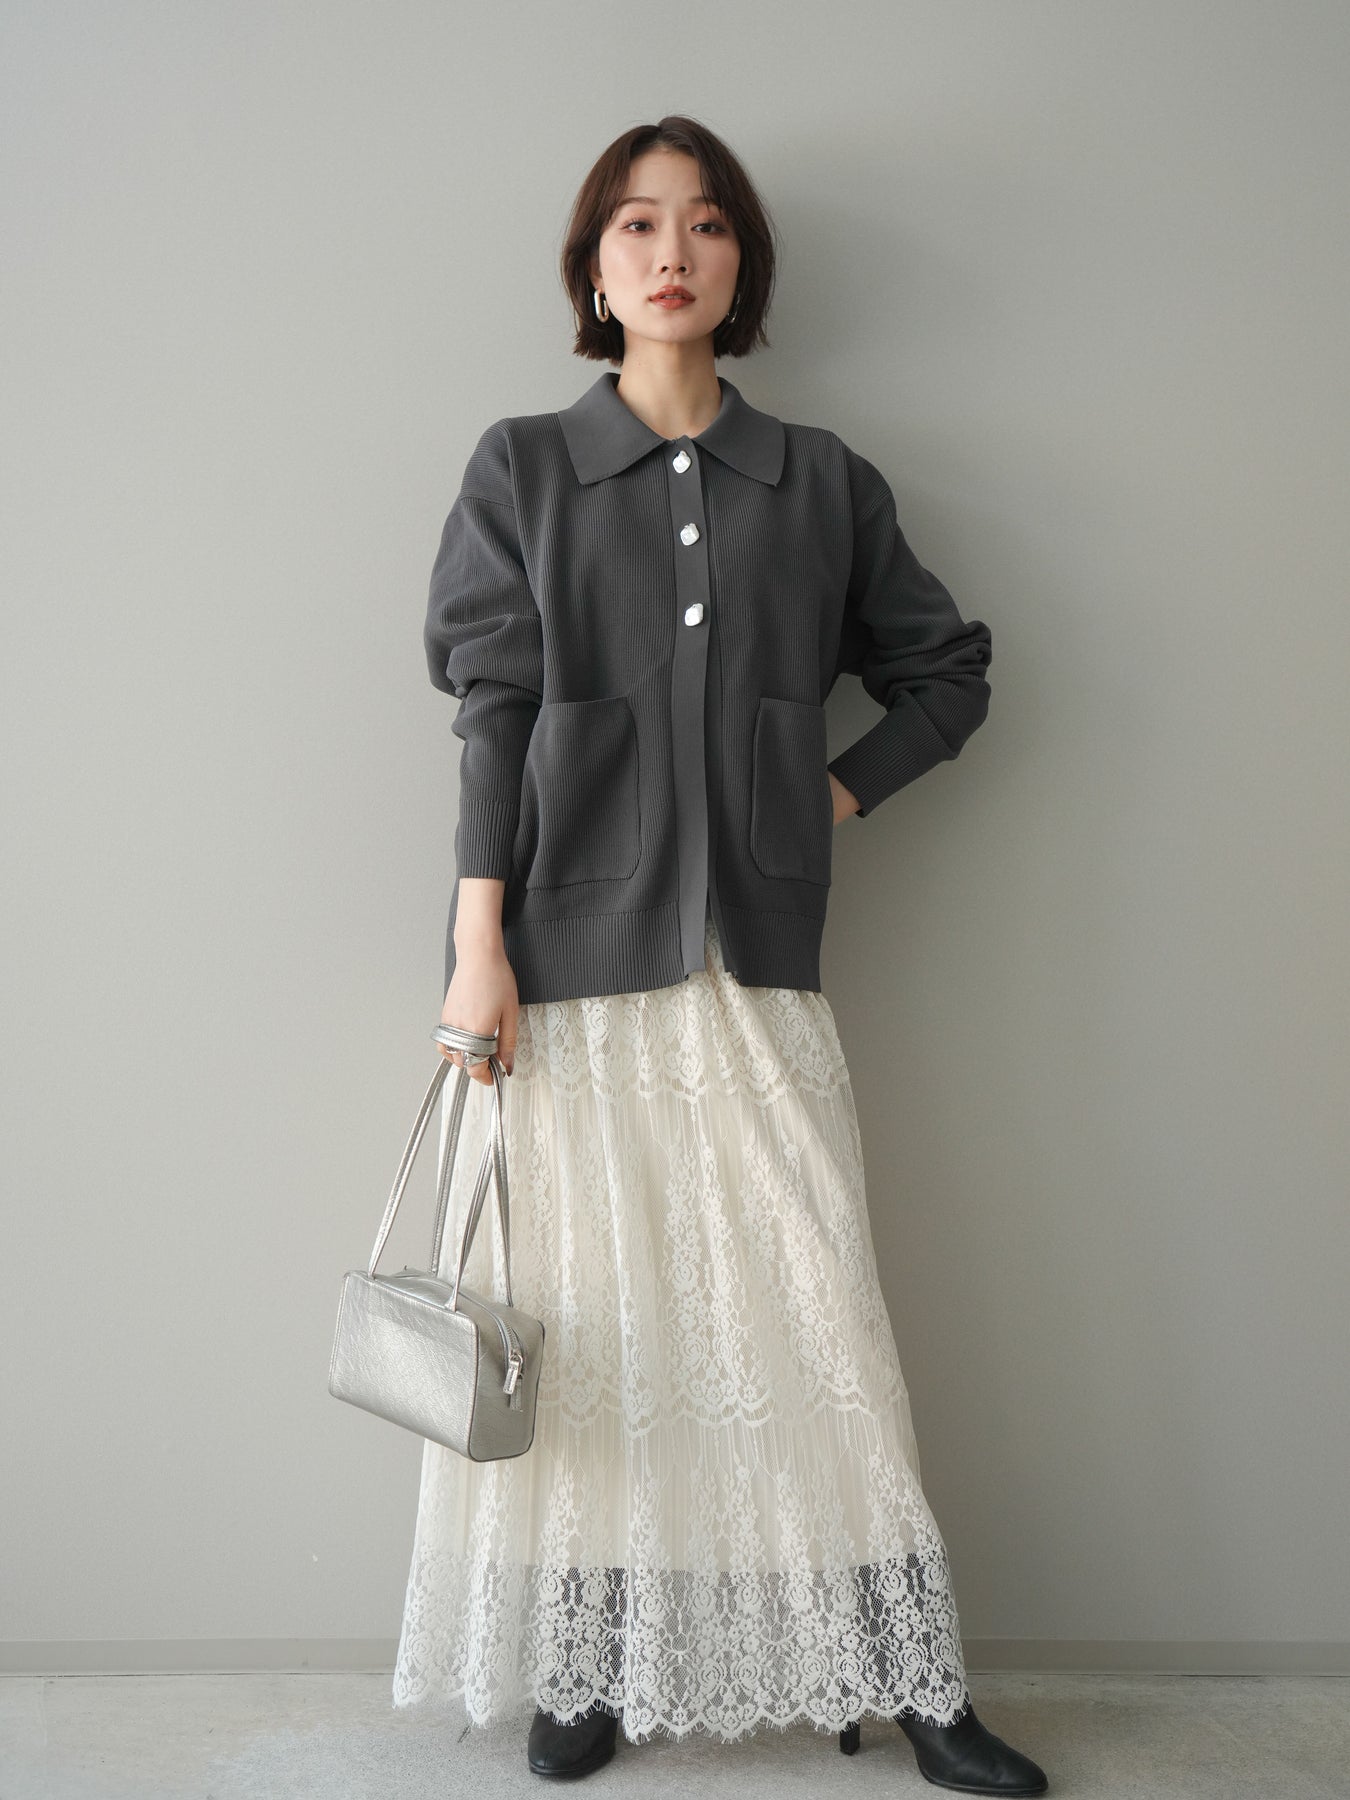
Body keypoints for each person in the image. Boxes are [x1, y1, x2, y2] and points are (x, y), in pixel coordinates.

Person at [391, 115, 1049, 1796]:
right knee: (593, 1328)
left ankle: (912, 1676)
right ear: (593, 267)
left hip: (752, 967)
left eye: (701, 224)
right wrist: (476, 950)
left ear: (740, 262)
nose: (668, 251)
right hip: (563, 976)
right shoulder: (522, 469)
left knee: (819, 1324)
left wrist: (825, 792)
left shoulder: (819, 481)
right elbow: (493, 716)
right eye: (634, 224)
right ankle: (589, 1666)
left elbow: (947, 673)